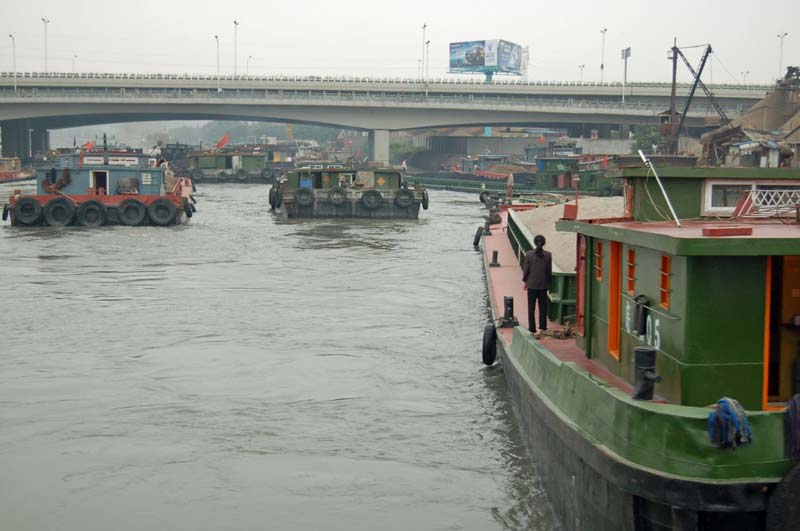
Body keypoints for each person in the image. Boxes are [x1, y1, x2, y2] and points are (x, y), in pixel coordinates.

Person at [522, 234, 552, 338]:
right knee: (543, 307)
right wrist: (548, 282)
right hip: (543, 284)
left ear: (535, 242)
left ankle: (532, 329)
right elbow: (549, 272)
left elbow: (526, 271)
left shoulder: (529, 254)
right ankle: (542, 327)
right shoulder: (548, 255)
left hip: (531, 284)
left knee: (531, 307)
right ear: (544, 243)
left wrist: (525, 281)